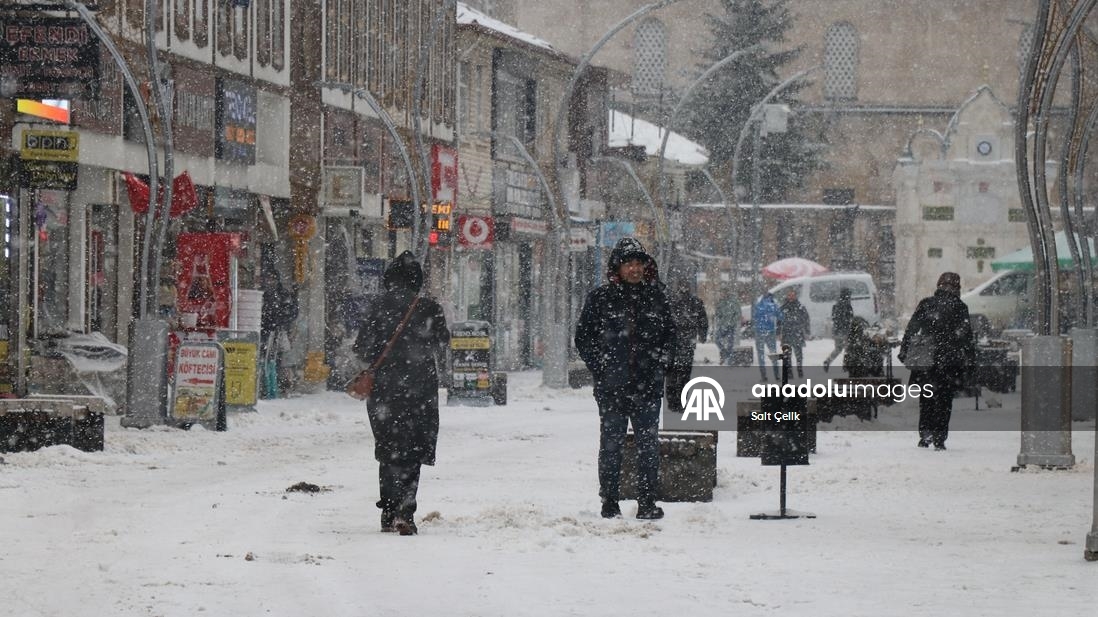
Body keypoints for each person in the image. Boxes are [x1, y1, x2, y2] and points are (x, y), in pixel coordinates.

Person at [575, 238, 675, 521]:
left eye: (638, 263)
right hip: (612, 389)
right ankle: (609, 503)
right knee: (611, 447)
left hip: (647, 388)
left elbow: (671, 337)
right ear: (617, 268)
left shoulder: (657, 297)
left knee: (648, 448)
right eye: (628, 263)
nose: (634, 269)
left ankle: (646, 503)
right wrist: (602, 368)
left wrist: (660, 366)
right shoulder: (601, 299)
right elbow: (583, 338)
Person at [353, 251, 450, 535]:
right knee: (412, 451)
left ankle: (388, 510)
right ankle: (406, 511)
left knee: (389, 449)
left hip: (384, 390)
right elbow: (442, 342)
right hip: (419, 390)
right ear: (417, 280)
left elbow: (361, 347)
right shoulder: (429, 308)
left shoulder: (377, 307)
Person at [899, 272, 976, 451]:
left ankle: (925, 435)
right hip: (949, 362)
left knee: (926, 398)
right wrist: (970, 362)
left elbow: (911, 329)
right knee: (944, 400)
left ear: (938, 286)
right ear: (957, 288)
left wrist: (905, 351)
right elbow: (966, 337)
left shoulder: (926, 304)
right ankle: (940, 438)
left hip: (927, 360)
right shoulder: (960, 307)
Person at [665, 274, 709, 413]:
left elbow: (663, 321)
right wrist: (702, 335)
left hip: (674, 342)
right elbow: (703, 320)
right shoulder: (695, 302)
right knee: (684, 373)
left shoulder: (671, 300)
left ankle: (673, 401)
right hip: (686, 342)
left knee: (672, 373)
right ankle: (680, 401)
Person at [260, 270, 299, 398]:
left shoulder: (283, 294)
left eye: (272, 279)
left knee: (277, 360)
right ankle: (266, 386)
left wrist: (281, 321)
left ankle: (277, 386)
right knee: (265, 358)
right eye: (267, 279)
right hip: (264, 330)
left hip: (278, 331)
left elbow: (292, 313)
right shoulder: (263, 293)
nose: (269, 282)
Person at [778, 288, 810, 378]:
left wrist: (807, 331)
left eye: (792, 295)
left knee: (798, 353)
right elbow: (779, 321)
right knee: (787, 354)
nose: (791, 297)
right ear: (787, 296)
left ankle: (799, 369)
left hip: (797, 332)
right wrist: (778, 333)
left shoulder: (800, 306)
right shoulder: (783, 307)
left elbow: (806, 319)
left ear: (795, 296)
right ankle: (789, 371)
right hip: (787, 333)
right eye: (789, 295)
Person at [752, 292, 782, 381]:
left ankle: (763, 376)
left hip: (759, 331)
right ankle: (777, 375)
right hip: (770, 331)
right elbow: (780, 316)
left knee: (760, 354)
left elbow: (754, 316)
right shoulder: (773, 305)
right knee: (773, 353)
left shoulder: (758, 304)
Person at [823, 288, 854, 373]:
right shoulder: (848, 305)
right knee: (848, 349)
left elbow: (834, 318)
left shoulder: (836, 305)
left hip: (837, 331)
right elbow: (850, 318)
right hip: (845, 331)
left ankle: (828, 361)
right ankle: (846, 365)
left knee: (838, 349)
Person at [714, 291, 741, 365]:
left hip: (730, 326)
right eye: (721, 293)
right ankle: (724, 353)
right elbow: (717, 313)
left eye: (723, 293)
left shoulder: (733, 302)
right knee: (716, 339)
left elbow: (738, 314)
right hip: (722, 325)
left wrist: (731, 322)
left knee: (730, 344)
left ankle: (729, 361)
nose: (722, 295)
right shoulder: (720, 302)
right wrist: (719, 321)